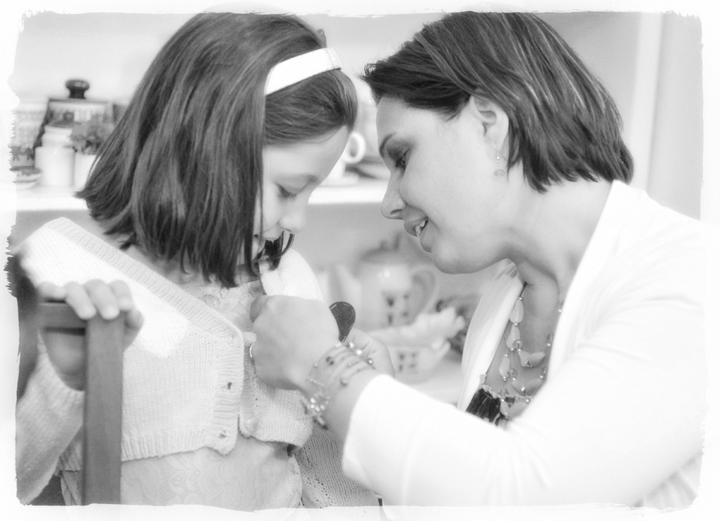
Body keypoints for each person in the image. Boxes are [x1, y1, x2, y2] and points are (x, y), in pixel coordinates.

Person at [248, 12, 707, 508]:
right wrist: (379, 392)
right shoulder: (506, 299)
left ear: (490, 126)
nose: (390, 203)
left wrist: (324, 369)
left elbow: (527, 496)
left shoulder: (691, 280)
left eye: (402, 158)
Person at [14, 12, 385, 509]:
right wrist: (60, 383)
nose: (298, 220)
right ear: (207, 150)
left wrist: (349, 402)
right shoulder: (59, 277)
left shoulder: (286, 283)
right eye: (287, 189)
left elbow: (325, 487)